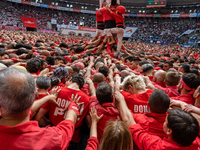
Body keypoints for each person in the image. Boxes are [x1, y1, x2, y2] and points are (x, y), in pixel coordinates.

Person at [0, 68, 79, 150]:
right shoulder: (51, 139)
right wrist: (73, 106)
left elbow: (26, 110)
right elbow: (68, 124)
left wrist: (47, 98)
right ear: (35, 95)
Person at [114, 80, 200, 150]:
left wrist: (121, 99)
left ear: (169, 131)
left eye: (166, 121)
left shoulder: (156, 146)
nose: (166, 117)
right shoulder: (195, 140)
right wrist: (180, 103)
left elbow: (128, 120)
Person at [35, 73, 90, 148]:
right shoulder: (87, 99)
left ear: (70, 79)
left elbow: (38, 118)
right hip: (72, 138)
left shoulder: (55, 92)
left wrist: (51, 123)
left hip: (53, 135)